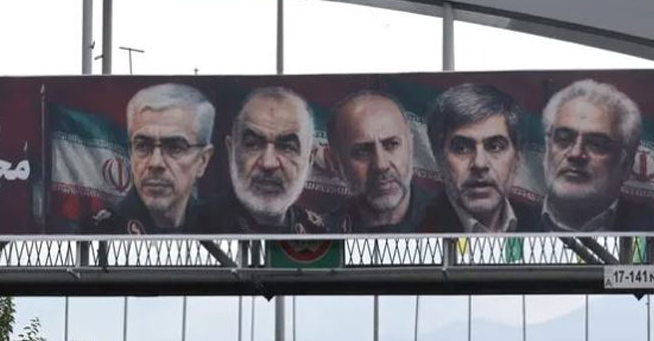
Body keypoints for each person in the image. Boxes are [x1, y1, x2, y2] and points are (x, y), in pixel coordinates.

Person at [83, 82, 215, 234]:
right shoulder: (99, 231)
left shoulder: (220, 226)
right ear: (130, 152)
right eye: (143, 146)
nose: (155, 163)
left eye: (174, 148)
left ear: (203, 160)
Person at [419, 83, 540, 233]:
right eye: (462, 148)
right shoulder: (413, 232)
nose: (480, 163)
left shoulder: (544, 228)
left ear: (518, 157)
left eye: (495, 146)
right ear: (439, 158)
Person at [203, 86, 325, 234]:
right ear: (231, 150)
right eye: (253, 145)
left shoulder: (318, 232)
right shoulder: (197, 225)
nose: (268, 163)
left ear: (310, 159)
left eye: (287, 147)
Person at [541, 79, 653, 232]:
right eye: (564, 139)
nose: (576, 154)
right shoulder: (509, 224)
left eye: (596, 144)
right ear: (547, 150)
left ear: (625, 165)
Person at [326, 90, 433, 233]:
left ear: (411, 146)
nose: (381, 165)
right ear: (334, 163)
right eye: (362, 152)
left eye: (392, 144)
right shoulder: (320, 234)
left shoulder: (455, 222)